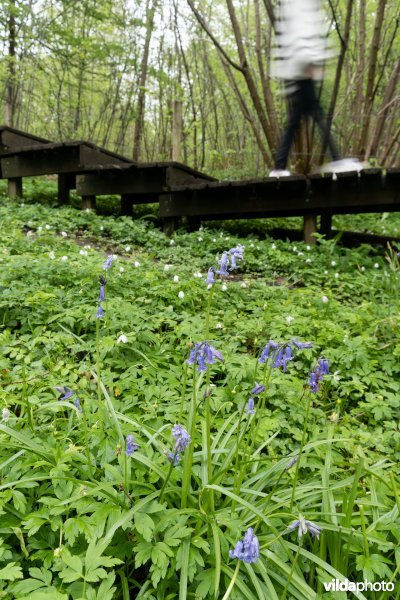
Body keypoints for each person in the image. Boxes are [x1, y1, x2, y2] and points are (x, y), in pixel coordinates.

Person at [269, 0, 362, 177]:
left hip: (298, 76)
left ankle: (279, 167)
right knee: (317, 119)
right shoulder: (300, 4)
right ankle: (336, 160)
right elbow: (301, 35)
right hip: (302, 76)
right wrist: (311, 63)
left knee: (296, 124)